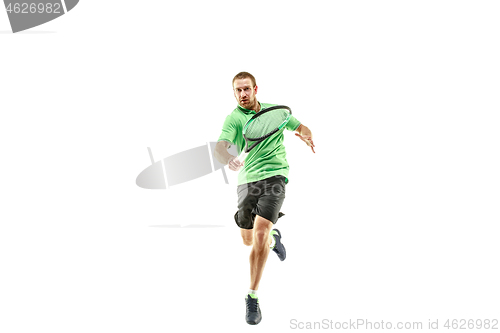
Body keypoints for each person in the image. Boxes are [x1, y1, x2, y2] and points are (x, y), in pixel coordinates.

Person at [214, 72, 315, 325]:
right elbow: (220, 147)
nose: (243, 95)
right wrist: (229, 159)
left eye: (246, 89)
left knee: (258, 234)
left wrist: (306, 133)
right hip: (247, 181)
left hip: (276, 177)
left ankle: (252, 296)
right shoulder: (234, 118)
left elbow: (299, 126)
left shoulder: (276, 112)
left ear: (256, 88)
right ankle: (274, 240)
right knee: (249, 240)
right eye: (238, 91)